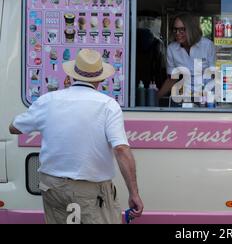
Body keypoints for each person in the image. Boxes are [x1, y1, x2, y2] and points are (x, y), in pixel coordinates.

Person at [9, 49, 144, 224]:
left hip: (53, 187)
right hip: (89, 189)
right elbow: (121, 148)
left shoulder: (48, 100)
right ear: (100, 79)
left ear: (73, 75)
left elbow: (14, 128)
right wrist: (134, 193)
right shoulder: (108, 105)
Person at [157, 12, 215, 101]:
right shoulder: (172, 49)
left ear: (191, 29)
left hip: (207, 96)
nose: (177, 33)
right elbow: (171, 79)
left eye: (182, 30)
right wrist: (156, 98)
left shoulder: (207, 45)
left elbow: (215, 75)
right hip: (185, 97)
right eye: (175, 29)